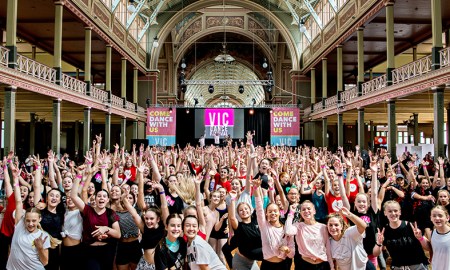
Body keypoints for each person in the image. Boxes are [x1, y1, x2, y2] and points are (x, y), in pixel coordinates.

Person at [70, 169, 121, 270]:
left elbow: (118, 234)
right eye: (99, 196)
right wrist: (78, 177)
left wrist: (106, 228)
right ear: (95, 198)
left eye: (104, 196)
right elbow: (73, 196)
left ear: (107, 200)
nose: (101, 198)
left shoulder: (111, 213)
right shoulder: (87, 210)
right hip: (89, 250)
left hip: (107, 250)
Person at [6, 167, 51, 270]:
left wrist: (40, 248)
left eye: (34, 221)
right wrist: (16, 180)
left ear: (39, 219)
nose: (30, 224)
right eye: (28, 220)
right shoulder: (19, 226)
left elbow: (45, 262)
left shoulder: (43, 236)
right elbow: (18, 201)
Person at [376, 200, 428, 270]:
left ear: (400, 212)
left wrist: (420, 238)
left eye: (395, 211)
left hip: (417, 266)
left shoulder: (411, 226)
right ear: (385, 213)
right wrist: (379, 243)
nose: (393, 213)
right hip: (398, 267)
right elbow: (375, 253)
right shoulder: (384, 231)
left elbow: (428, 247)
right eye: (390, 211)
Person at [285, 201, 333, 270]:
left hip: (322, 265)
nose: (306, 211)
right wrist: (291, 213)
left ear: (314, 211)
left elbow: (328, 248)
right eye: (303, 209)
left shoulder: (323, 227)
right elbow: (288, 231)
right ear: (301, 213)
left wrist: (332, 266)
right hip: (304, 265)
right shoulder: (298, 226)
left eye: (309, 208)